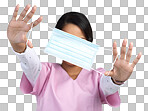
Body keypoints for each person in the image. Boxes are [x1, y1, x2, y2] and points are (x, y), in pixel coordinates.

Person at [7, 4, 142, 111]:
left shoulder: (98, 77)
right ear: (56, 40)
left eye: (80, 41)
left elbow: (108, 85)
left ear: (89, 43)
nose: (73, 46)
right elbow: (30, 65)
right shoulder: (45, 73)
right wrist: (18, 44)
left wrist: (117, 79)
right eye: (66, 39)